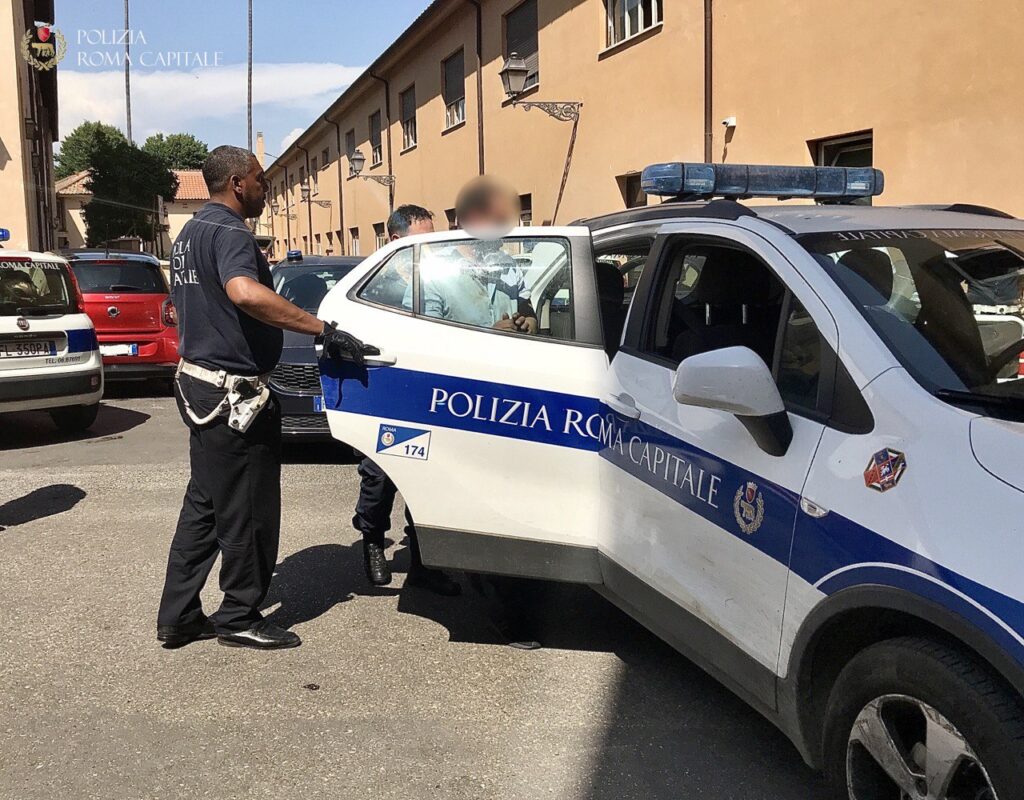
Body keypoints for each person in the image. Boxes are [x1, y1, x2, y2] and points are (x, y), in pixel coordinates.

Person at [156, 145, 371, 650]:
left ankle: (179, 615)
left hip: (198, 387)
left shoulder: (189, 234)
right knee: (251, 511)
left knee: (205, 508)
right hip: (235, 398)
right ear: (236, 183)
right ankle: (239, 616)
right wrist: (322, 328)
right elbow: (244, 293)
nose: (265, 188)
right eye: (259, 180)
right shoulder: (232, 232)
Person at [353, 204, 461, 596]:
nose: (431, 248)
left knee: (430, 481)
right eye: (424, 240)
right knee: (380, 477)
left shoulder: (438, 279)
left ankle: (424, 564)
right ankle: (372, 542)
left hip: (429, 396)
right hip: (386, 396)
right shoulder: (374, 283)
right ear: (396, 241)